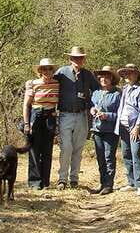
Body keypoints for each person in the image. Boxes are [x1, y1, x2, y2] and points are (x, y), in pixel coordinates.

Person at [54, 46, 99, 190]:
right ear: (70, 59)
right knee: (66, 147)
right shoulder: (61, 73)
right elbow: (50, 86)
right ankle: (62, 179)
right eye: (75, 58)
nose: (78, 60)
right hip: (65, 115)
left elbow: (97, 91)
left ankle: (74, 179)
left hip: (81, 115)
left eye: (80, 58)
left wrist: (93, 106)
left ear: (84, 59)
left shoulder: (87, 75)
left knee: (78, 149)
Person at [22, 58, 59, 189]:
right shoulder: (33, 84)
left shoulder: (57, 83)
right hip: (36, 116)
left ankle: (45, 182)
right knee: (34, 150)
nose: (47, 71)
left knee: (47, 150)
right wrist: (27, 123)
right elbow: (26, 105)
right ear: (40, 70)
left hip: (50, 117)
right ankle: (34, 182)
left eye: (50, 68)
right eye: (44, 69)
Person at [115, 63, 140, 196]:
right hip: (123, 126)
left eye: (130, 73)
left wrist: (137, 127)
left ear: (136, 75)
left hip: (135, 127)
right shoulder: (124, 89)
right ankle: (131, 182)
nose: (127, 75)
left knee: (136, 154)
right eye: (125, 73)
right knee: (126, 154)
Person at [89, 66, 121, 195]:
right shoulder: (96, 93)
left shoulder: (117, 94)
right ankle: (102, 184)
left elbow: (121, 114)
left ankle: (109, 184)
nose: (104, 79)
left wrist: (107, 116)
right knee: (100, 157)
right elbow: (92, 106)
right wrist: (92, 110)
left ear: (112, 79)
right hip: (97, 129)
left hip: (110, 131)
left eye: (107, 77)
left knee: (109, 157)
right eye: (102, 76)